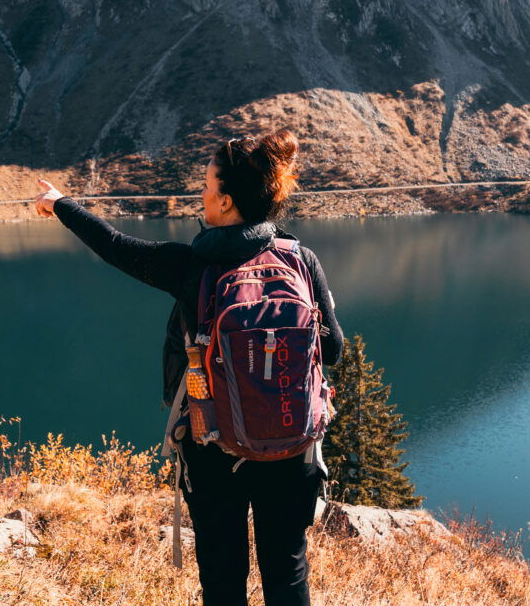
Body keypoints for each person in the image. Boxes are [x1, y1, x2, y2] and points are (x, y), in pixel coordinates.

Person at [35, 130, 344, 606]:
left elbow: (114, 245)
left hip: (212, 440)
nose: (200, 193)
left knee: (222, 577)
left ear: (224, 201)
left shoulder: (190, 266)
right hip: (291, 445)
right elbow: (334, 350)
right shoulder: (300, 259)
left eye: (205, 185)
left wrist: (59, 205)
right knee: (287, 572)